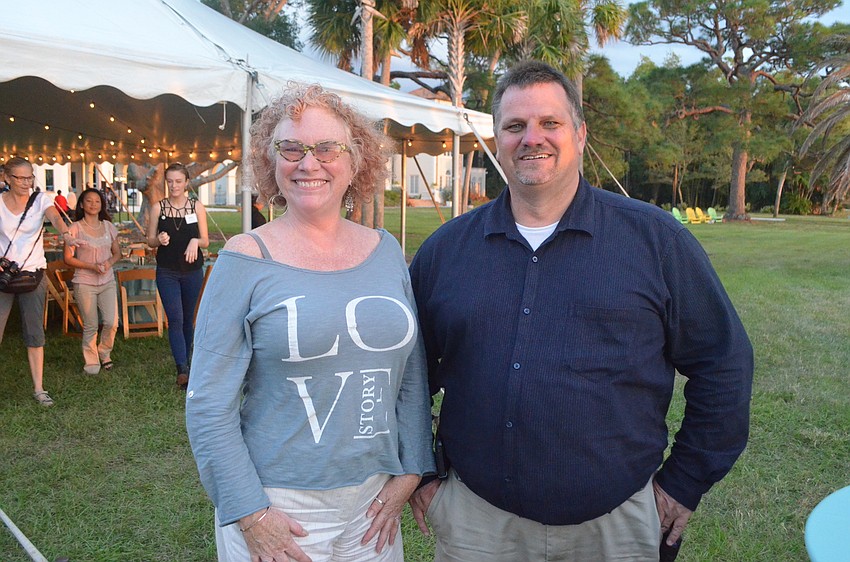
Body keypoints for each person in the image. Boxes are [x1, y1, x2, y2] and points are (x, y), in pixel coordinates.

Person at [408, 60, 754, 561]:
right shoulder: (446, 252)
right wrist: (422, 472)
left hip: (618, 524)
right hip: (476, 523)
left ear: (580, 134)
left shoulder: (655, 241)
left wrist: (684, 481)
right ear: (498, 138)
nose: (533, 138)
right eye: (515, 126)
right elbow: (406, 373)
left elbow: (723, 362)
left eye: (550, 123)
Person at [186, 83, 435, 562]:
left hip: (373, 504)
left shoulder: (385, 251)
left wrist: (410, 471)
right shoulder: (245, 259)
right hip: (281, 506)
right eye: (291, 147)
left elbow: (411, 374)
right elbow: (207, 406)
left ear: (355, 160)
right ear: (270, 160)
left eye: (327, 148)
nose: (309, 162)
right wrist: (250, 513)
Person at [1, 157, 86, 406]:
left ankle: (39, 388)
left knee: (34, 333)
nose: (26, 182)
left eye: (30, 177)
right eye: (20, 177)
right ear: (7, 177)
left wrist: (67, 235)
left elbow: (57, 219)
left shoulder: (40, 200)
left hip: (33, 274)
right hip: (4, 277)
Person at [146, 162, 209, 389]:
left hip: (192, 271)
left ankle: (188, 360)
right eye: (170, 181)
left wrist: (195, 241)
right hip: (167, 271)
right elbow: (149, 239)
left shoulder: (196, 207)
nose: (174, 185)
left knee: (188, 320)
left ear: (186, 183)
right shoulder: (158, 208)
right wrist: (158, 240)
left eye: (178, 181)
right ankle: (182, 369)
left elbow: (205, 240)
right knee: (175, 318)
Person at [63, 188, 120, 375]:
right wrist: (91, 266)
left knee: (112, 322)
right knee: (91, 324)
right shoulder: (74, 229)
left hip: (107, 280)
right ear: (81, 204)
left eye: (97, 201)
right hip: (84, 281)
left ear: (102, 204)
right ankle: (91, 360)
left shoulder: (109, 226)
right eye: (89, 201)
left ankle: (105, 352)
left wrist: (108, 263)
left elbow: (117, 253)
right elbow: (68, 258)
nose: (93, 204)